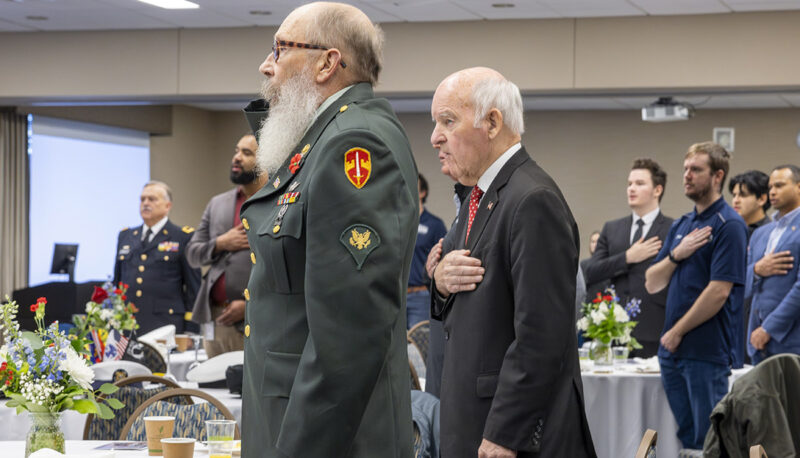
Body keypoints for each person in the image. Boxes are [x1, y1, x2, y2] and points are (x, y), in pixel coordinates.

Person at [238, 3, 418, 457]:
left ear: (327, 63)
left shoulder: (353, 143)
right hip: (294, 414)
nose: (266, 65)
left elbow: (349, 335)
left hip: (325, 435)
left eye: (280, 49)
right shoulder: (324, 136)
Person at [430, 67, 595, 458]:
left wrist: (507, 432)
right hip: (475, 417)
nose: (435, 136)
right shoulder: (480, 196)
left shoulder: (532, 199)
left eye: (447, 121)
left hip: (512, 436)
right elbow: (452, 283)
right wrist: (438, 279)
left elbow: (542, 334)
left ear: (491, 122)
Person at [645, 142, 747, 450]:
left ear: (718, 176)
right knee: (688, 438)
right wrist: (677, 254)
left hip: (705, 351)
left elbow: (718, 291)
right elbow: (652, 281)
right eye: (686, 169)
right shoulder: (683, 225)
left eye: (696, 170)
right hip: (672, 353)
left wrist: (677, 331)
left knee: (711, 440)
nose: (687, 176)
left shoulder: (729, 225)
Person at [583, 158, 673, 357]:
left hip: (655, 327)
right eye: (629, 183)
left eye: (640, 184)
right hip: (612, 329)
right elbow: (590, 272)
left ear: (657, 190)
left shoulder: (672, 229)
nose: (631, 189)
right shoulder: (612, 228)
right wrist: (627, 257)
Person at [187, 134, 266, 357]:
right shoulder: (218, 203)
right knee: (212, 389)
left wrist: (249, 306)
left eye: (246, 153)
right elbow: (192, 254)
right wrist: (221, 243)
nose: (236, 157)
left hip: (256, 320)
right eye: (236, 151)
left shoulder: (276, 201)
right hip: (215, 319)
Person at [113, 181, 201, 334]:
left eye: (152, 199)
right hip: (128, 325)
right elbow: (118, 282)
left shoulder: (183, 237)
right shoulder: (126, 236)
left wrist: (191, 329)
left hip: (165, 325)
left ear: (168, 206)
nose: (145, 203)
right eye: (142, 199)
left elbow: (194, 288)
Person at [746, 165, 800, 363]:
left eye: (779, 185)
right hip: (757, 343)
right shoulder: (761, 234)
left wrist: (769, 328)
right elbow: (740, 284)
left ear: (799, 187)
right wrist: (757, 270)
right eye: (770, 187)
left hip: (791, 341)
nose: (773, 192)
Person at [407, 173, 447, 329]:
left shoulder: (434, 225)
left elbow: (443, 258)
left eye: (413, 186)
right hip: (398, 296)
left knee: (418, 348)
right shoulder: (397, 223)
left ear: (423, 192)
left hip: (420, 296)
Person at [729, 170, 771, 239]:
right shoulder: (731, 229)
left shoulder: (772, 233)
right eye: (734, 195)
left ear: (761, 199)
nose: (735, 201)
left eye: (743, 195)